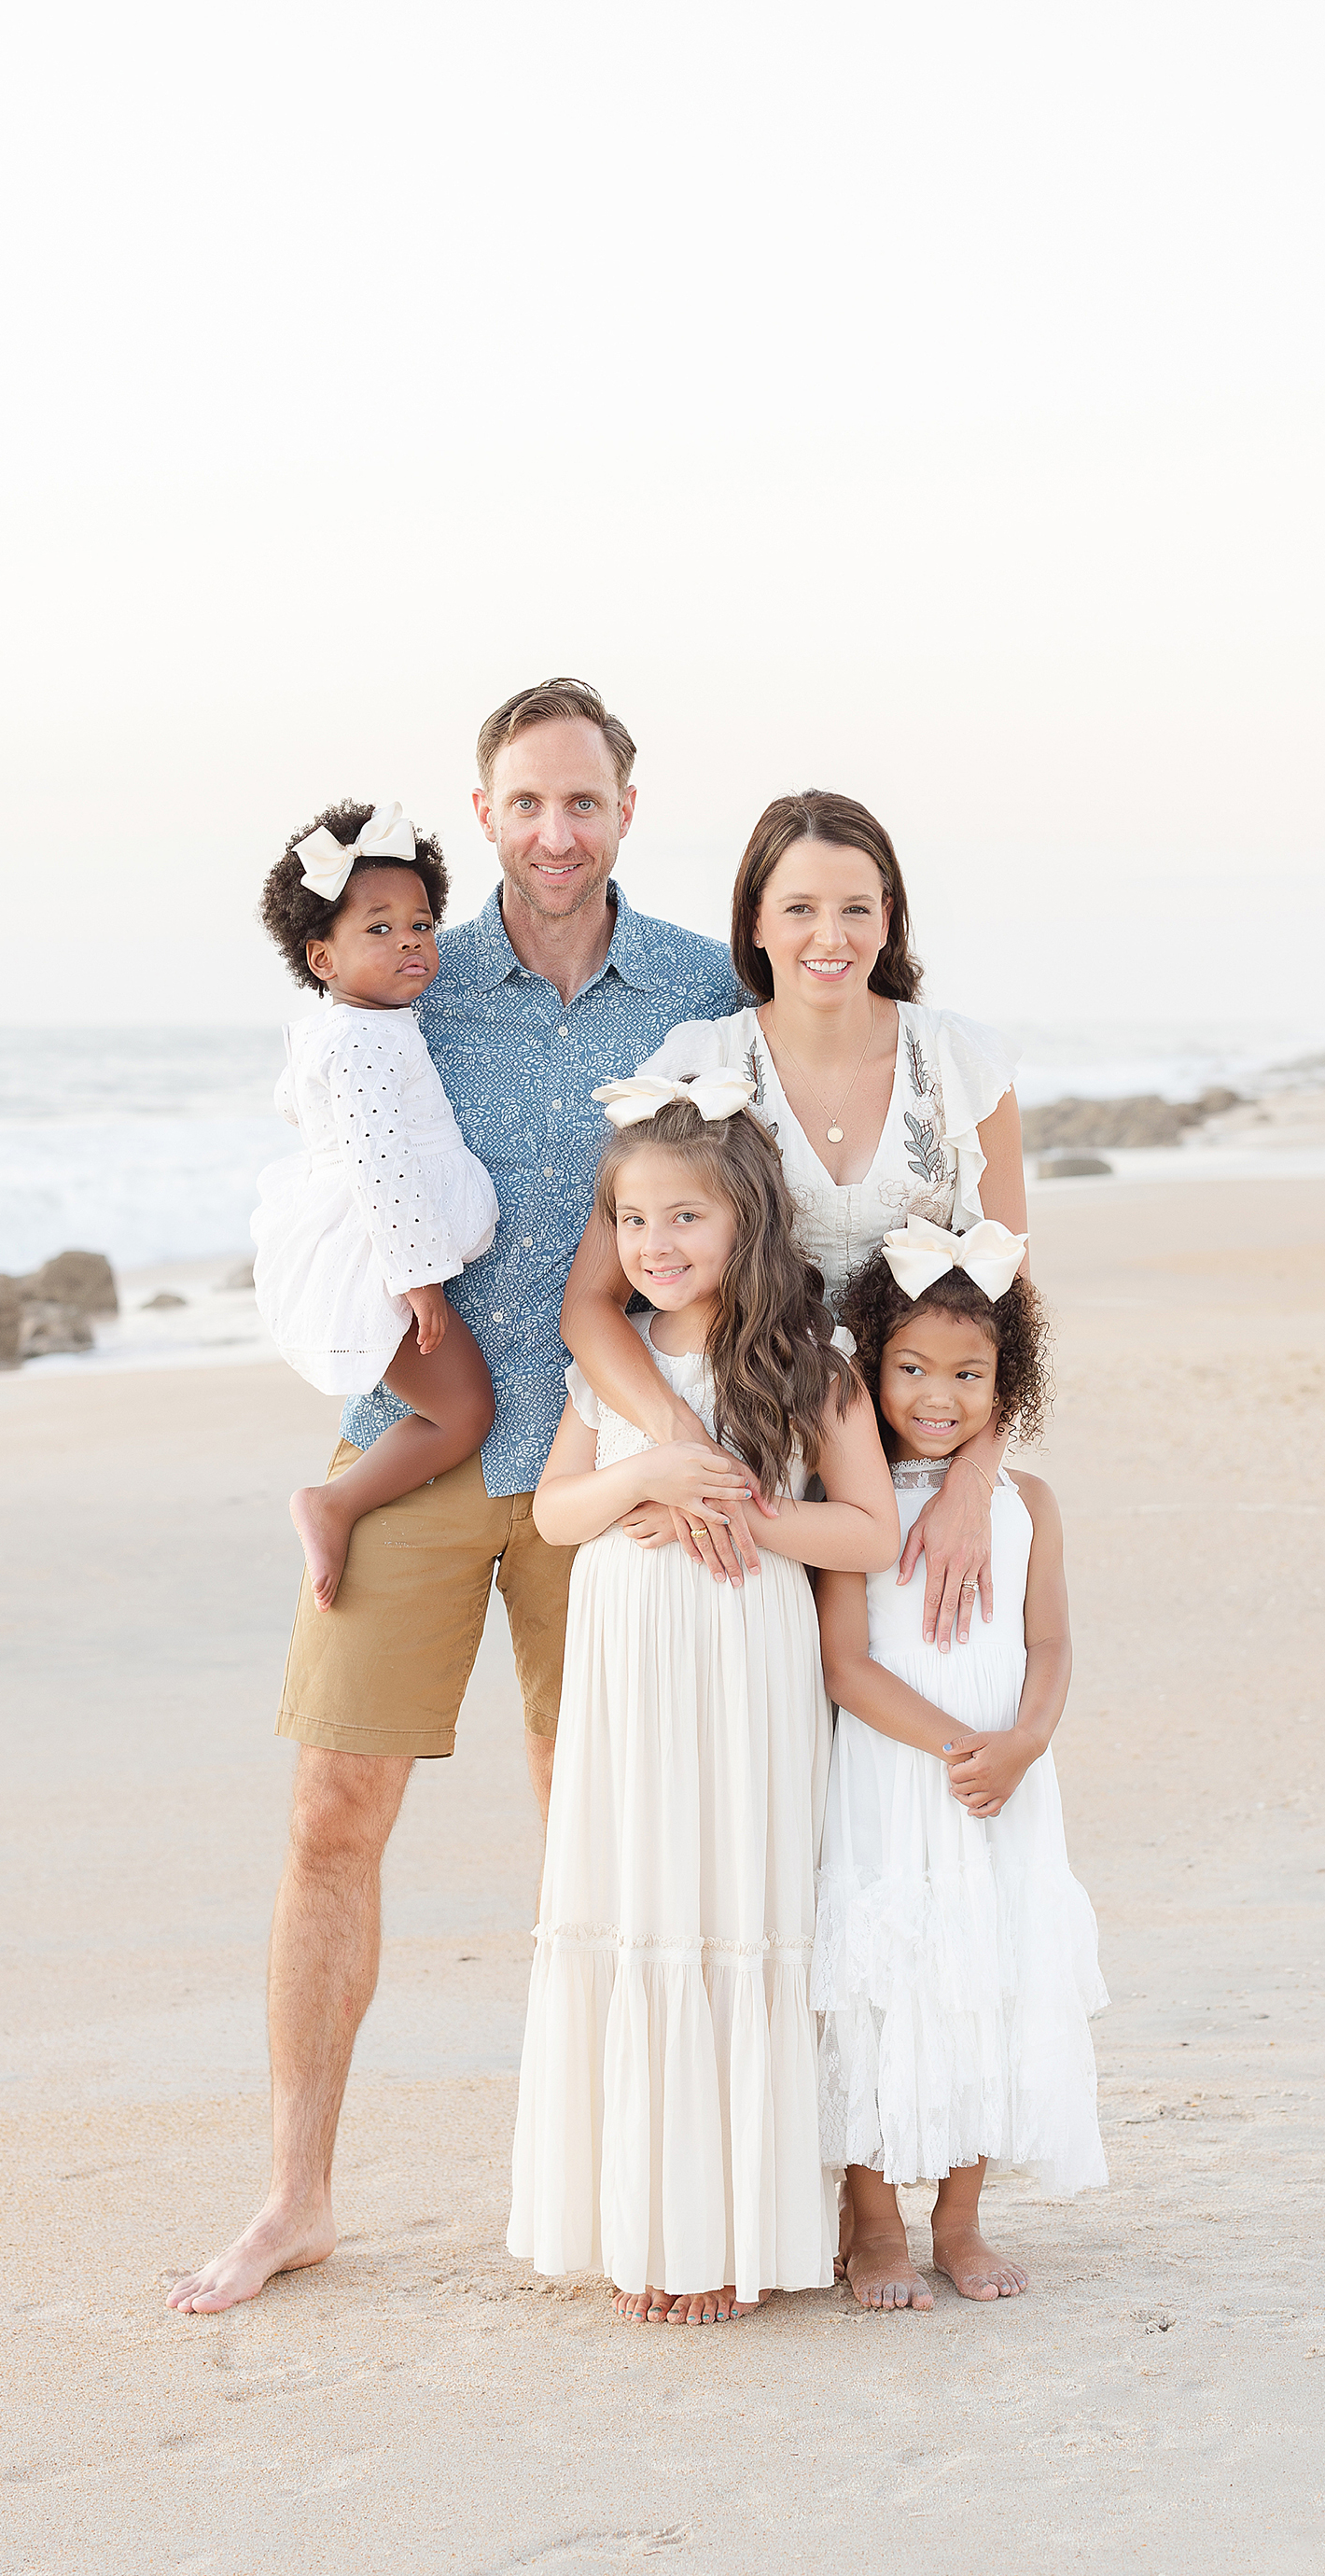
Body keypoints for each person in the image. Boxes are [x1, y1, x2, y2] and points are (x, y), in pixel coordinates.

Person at [168, 680, 741, 2315]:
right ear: (482, 813)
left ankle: (628, 2190)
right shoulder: (399, 967)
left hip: (607, 1471)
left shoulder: (704, 991)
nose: (554, 834)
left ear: (626, 810)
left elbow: (757, 1213)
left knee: (600, 1837)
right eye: (524, 804)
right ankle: (294, 2198)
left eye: (584, 803)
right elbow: (324, 1151)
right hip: (410, 1442)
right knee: (329, 1820)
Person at [509, 1076, 903, 2325]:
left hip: (743, 1667)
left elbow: (870, 1532)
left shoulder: (804, 1362)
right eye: (631, 1223)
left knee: (734, 1897)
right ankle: (646, 2223)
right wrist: (652, 1478)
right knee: (641, 1903)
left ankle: (740, 2231)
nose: (655, 1247)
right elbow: (553, 1515)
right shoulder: (609, 1370)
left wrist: (739, 1504)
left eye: (684, 1218)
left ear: (744, 1219)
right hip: (629, 1672)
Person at [562, 790, 1025, 1647]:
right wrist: (690, 1454)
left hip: (922, 1458)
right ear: (756, 922)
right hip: (755, 1449)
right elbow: (590, 1302)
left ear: (887, 919)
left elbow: (1010, 1305)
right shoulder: (697, 1065)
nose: (830, 936)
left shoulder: (963, 1064)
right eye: (800, 908)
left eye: (855, 908)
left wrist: (971, 1483)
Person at [812, 1219, 1108, 2312]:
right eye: (912, 1368)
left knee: (989, 1977)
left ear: (1005, 1379)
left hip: (1005, 1787)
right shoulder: (854, 1500)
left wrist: (1023, 1741)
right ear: (872, 1366)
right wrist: (954, 1746)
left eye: (968, 1373)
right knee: (884, 1989)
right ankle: (877, 2225)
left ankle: (961, 2220)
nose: (938, 1393)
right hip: (898, 1779)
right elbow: (844, 1666)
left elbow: (1050, 1642)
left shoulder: (1027, 1503)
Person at [248, 802, 498, 1612]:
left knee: (457, 1407)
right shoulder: (360, 1039)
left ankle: (339, 1499)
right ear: (321, 957)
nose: (411, 944)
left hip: (386, 1244)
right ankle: (335, 1501)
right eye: (379, 930)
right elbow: (380, 1165)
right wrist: (418, 1278)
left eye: (421, 924)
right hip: (382, 1254)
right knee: (463, 1413)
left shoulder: (352, 1027)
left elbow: (302, 1104)